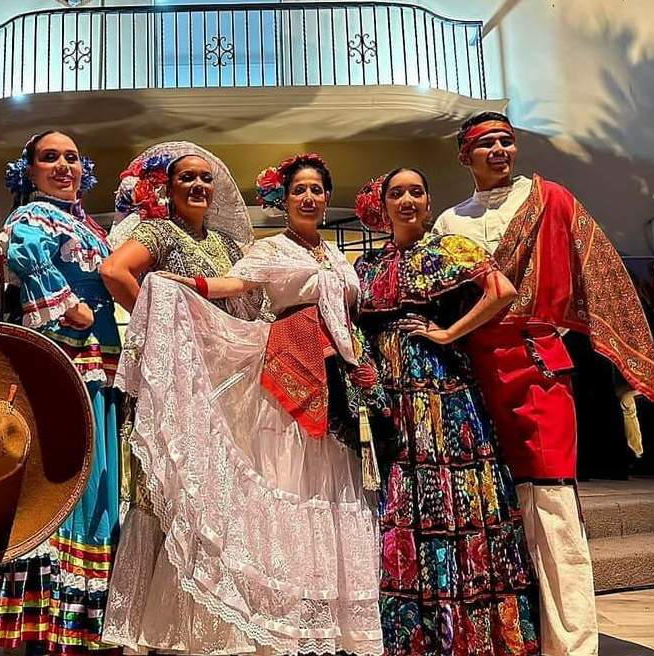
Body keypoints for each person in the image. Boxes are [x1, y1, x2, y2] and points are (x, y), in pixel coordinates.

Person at [102, 153, 382, 655]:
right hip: (283, 364)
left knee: (319, 484)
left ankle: (308, 615)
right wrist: (171, 302)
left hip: (332, 372)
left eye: (319, 190)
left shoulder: (303, 252)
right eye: (300, 190)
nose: (311, 198)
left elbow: (264, 307)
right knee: (212, 489)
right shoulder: (239, 245)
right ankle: (177, 624)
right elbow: (235, 286)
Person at [433, 111, 654, 656]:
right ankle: (509, 635)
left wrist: (626, 347)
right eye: (486, 143)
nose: (499, 151)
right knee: (489, 506)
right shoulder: (449, 222)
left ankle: (573, 643)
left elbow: (601, 268)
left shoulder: (551, 201)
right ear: (464, 156)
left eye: (506, 142)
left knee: (553, 501)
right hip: (471, 372)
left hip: (538, 364)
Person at [0, 130, 122, 654]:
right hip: (58, 360)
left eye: (71, 158)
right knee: (57, 478)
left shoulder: (89, 225)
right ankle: (41, 621)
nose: (63, 166)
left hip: (99, 361)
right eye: (49, 158)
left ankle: (83, 624)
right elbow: (30, 265)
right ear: (29, 171)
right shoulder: (28, 219)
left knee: (97, 478)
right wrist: (66, 306)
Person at [353, 168, 539, 655]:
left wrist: (447, 333)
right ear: (383, 204)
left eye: (417, 191)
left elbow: (502, 291)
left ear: (428, 202)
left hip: (443, 395)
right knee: (406, 501)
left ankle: (469, 631)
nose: (408, 200)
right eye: (397, 193)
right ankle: (415, 633)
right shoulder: (367, 266)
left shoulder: (449, 249)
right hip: (392, 401)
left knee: (456, 499)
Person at [100, 141, 259, 318]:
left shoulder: (224, 242)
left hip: (229, 341)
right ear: (168, 190)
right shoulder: (158, 231)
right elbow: (113, 270)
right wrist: (154, 323)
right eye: (187, 178)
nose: (199, 185)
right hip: (183, 343)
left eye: (206, 179)